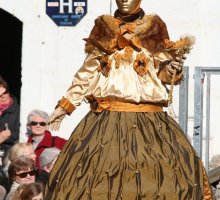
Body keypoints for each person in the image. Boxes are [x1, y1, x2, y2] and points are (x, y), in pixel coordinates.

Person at [44, 0, 214, 199]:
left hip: (150, 123)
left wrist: (172, 68)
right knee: (87, 181)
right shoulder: (103, 28)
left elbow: (164, 74)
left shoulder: (154, 29)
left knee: (169, 180)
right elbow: (86, 73)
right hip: (105, 123)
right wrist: (64, 107)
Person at [0, 75, 20, 163]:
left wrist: (7, 136)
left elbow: (20, 133)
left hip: (8, 153)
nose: (3, 96)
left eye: (5, 92)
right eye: (0, 94)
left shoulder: (18, 110)